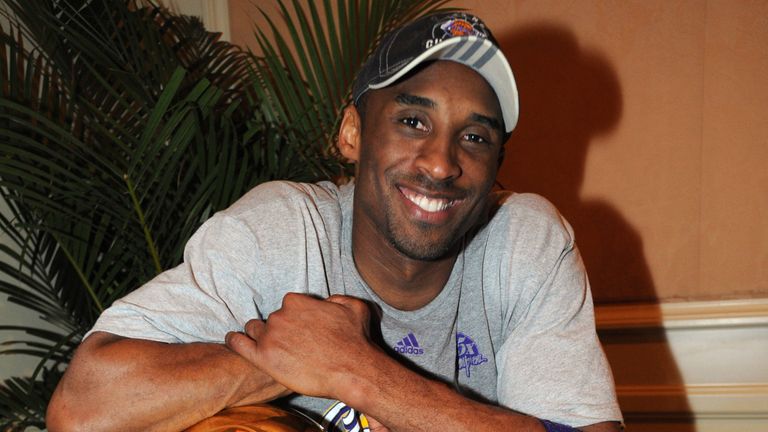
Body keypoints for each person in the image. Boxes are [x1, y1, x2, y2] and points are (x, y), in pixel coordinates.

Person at [46, 12, 622, 432]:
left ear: (497, 163)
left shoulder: (526, 242)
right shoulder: (284, 230)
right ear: (352, 133)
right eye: (412, 121)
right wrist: (280, 367)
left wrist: (355, 371)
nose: (443, 162)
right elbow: (82, 410)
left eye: (475, 137)